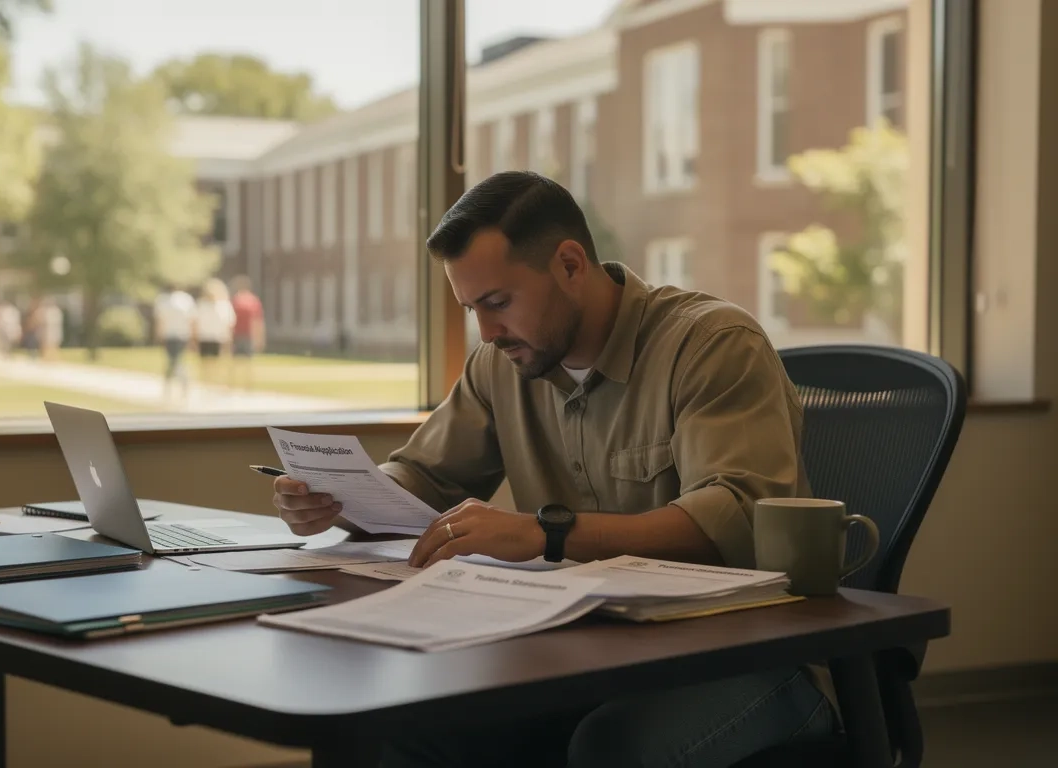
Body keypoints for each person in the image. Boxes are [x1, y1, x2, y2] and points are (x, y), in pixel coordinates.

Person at [269, 172, 836, 768]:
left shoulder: (713, 344)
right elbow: (424, 477)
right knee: (411, 724)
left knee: (612, 750)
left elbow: (734, 516)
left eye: (497, 303)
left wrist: (548, 533)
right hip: (594, 652)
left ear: (569, 265)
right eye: (471, 309)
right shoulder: (501, 365)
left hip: (749, 656)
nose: (487, 332)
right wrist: (341, 497)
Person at [154, 283, 196, 400]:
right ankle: (179, 385)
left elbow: (160, 320)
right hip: (182, 335)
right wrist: (193, 337)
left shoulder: (163, 301)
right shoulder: (186, 300)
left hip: (170, 335)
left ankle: (175, 385)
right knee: (176, 361)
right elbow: (192, 320)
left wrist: (158, 335)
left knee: (174, 361)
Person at [194, 277, 236, 385]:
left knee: (215, 362)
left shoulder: (224, 305)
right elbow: (196, 323)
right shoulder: (202, 305)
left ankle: (213, 382)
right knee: (206, 363)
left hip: (218, 337)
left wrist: (228, 338)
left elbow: (229, 324)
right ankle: (207, 382)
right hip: (205, 337)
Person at [229, 275, 265, 390]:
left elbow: (230, 320)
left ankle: (234, 385)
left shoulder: (236, 300)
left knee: (235, 361)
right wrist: (259, 338)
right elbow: (257, 321)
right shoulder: (254, 301)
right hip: (248, 335)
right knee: (248, 361)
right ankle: (248, 385)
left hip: (237, 334)